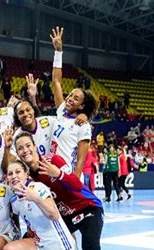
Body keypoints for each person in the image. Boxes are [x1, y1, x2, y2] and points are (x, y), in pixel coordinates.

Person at [15, 131, 111, 250]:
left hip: (87, 207)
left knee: (91, 248)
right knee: (33, 236)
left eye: (28, 145)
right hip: (64, 215)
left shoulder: (53, 160)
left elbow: (76, 185)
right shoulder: (28, 176)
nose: (25, 150)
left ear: (35, 146)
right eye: (20, 148)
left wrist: (57, 173)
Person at [50, 27, 97, 178]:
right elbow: (56, 81)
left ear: (82, 105)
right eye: (70, 95)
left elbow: (81, 160)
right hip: (52, 173)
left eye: (76, 98)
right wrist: (58, 52)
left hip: (69, 176)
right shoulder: (61, 110)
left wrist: (74, 184)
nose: (70, 98)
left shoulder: (83, 125)